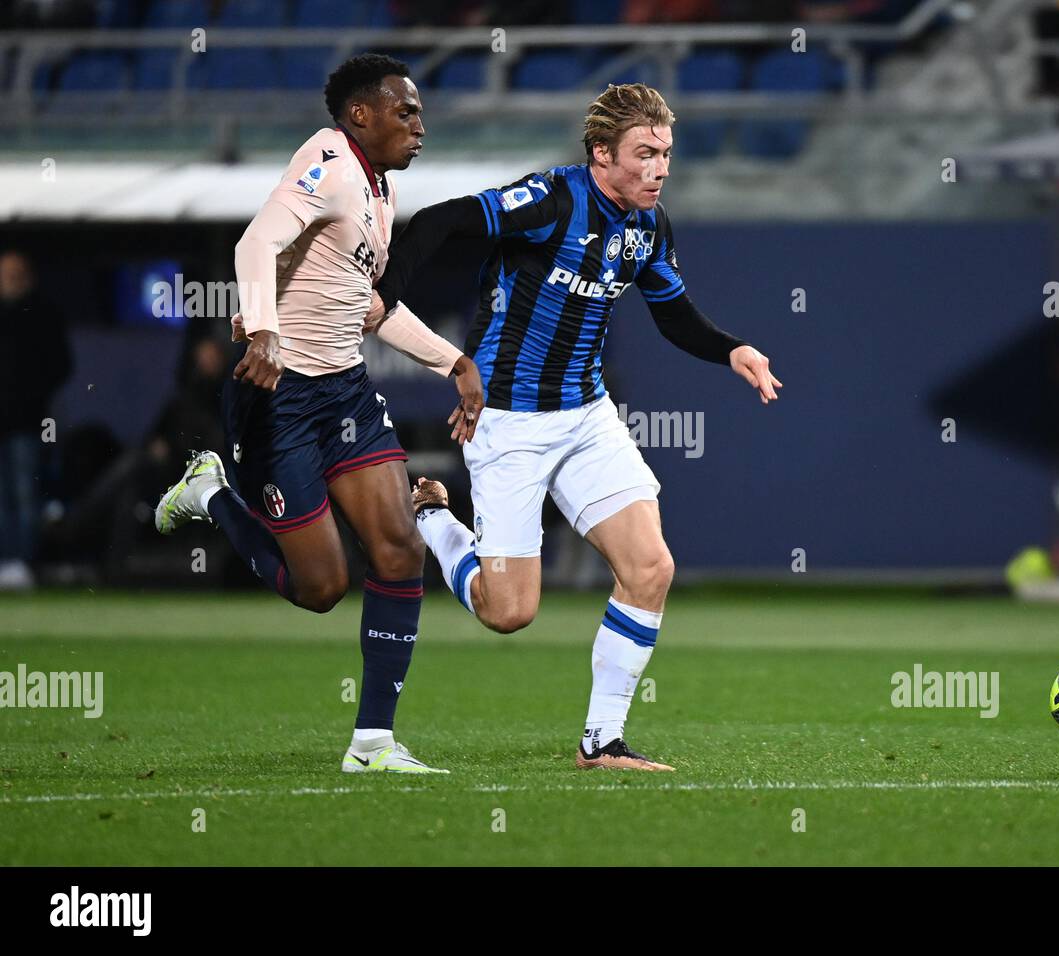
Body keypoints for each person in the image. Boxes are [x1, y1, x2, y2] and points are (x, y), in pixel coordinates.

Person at [370, 83, 782, 771]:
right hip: (510, 423)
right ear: (601, 154)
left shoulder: (649, 228)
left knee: (650, 567)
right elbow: (439, 220)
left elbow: (674, 315)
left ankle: (602, 741)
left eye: (666, 154)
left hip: (587, 419)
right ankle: (436, 521)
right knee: (508, 612)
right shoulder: (550, 201)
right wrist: (388, 292)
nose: (659, 169)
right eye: (644, 154)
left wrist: (732, 348)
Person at [153, 54, 484, 774]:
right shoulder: (329, 162)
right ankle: (211, 491)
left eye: (420, 112)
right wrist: (266, 330)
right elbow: (255, 242)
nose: (419, 126)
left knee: (398, 549)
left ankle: (372, 744)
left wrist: (453, 363)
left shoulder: (379, 191)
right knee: (321, 589)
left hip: (346, 395)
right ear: (360, 114)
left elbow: (370, 309)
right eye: (406, 111)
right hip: (278, 396)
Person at [0, 250, 73, 590]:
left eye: (17, 272)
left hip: (28, 421)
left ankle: (24, 562)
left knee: (27, 492)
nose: (11, 278)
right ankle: (6, 560)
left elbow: (61, 365)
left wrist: (31, 394)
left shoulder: (42, 314)